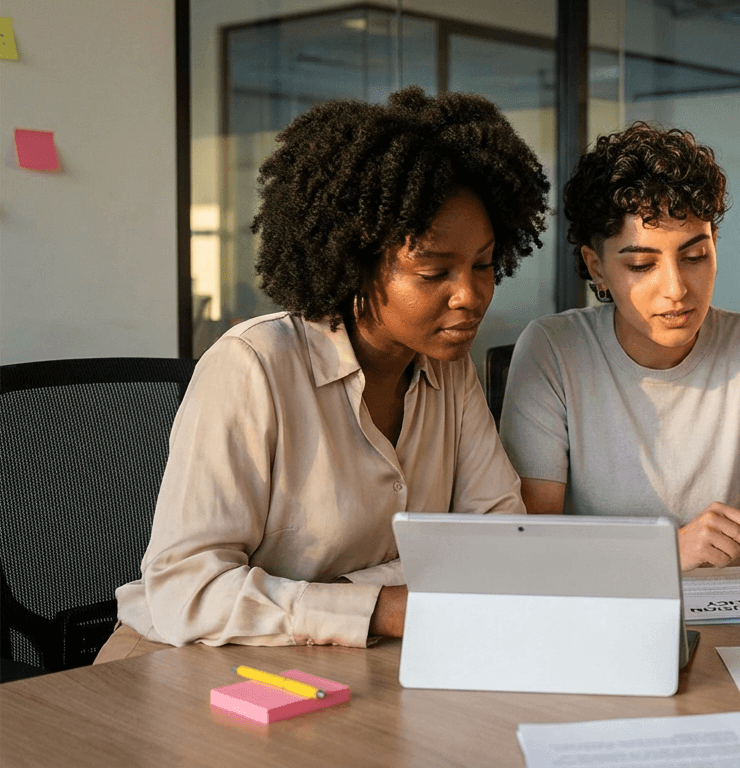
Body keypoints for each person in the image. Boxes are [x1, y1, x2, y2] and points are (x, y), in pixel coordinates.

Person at [99, 88, 549, 659]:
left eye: (484, 265)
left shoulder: (446, 368)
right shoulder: (254, 367)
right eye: (434, 271)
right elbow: (187, 591)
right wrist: (384, 604)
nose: (470, 296)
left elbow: (498, 542)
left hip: (344, 656)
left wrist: (359, 603)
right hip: (181, 661)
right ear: (357, 265)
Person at [499, 123, 740, 643]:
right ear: (596, 268)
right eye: (642, 264)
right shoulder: (553, 351)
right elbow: (534, 538)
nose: (678, 289)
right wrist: (670, 550)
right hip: (597, 623)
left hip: (729, 630)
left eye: (695, 256)